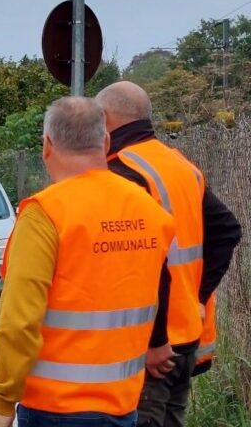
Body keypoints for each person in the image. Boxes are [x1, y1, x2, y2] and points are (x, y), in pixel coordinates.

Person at [0, 97, 176, 427]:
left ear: (47, 146)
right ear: (105, 142)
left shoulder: (44, 214)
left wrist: (2, 403)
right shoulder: (150, 211)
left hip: (55, 409)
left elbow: (18, 323)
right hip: (124, 405)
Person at [96, 81, 241, 427]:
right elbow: (228, 230)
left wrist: (155, 338)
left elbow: (150, 264)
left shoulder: (123, 172)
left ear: (104, 119)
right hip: (186, 338)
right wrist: (199, 296)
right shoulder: (179, 165)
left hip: (150, 347)